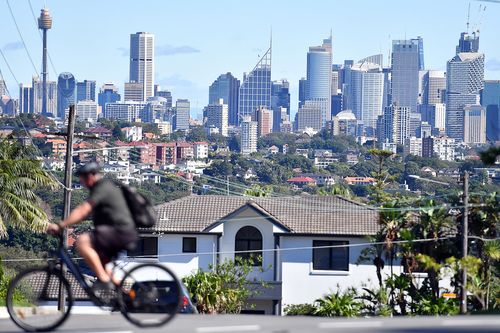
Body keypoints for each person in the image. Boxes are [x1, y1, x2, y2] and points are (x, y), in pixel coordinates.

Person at [47, 162, 138, 289]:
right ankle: (126, 296)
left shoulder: (102, 187)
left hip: (120, 232)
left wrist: (61, 225)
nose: (81, 182)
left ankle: (103, 279)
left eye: (82, 178)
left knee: (82, 241)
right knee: (103, 265)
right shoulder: (103, 187)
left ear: (90, 176)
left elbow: (83, 210)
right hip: (120, 232)